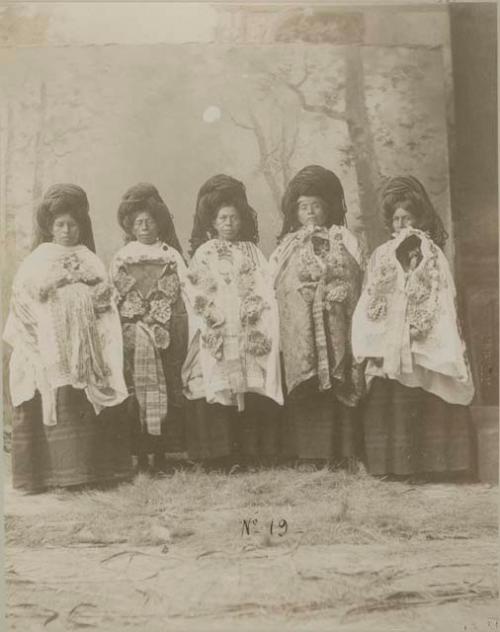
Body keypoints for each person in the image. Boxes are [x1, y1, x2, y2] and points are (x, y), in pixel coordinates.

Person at [3, 184, 133, 493]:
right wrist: (43, 331)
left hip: (88, 348)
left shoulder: (89, 258)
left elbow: (106, 299)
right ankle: (54, 475)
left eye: (72, 224)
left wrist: (100, 301)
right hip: (50, 344)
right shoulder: (37, 260)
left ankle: (96, 472)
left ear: (81, 226)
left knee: (91, 395)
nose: (66, 231)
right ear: (49, 227)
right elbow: (22, 299)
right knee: (54, 390)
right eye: (60, 224)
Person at [352, 175, 475, 480]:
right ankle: (392, 466)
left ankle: (435, 466)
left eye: (407, 217)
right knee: (389, 391)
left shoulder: (430, 252)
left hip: (422, 334)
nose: (401, 223)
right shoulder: (381, 254)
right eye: (396, 219)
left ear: (419, 218)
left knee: (427, 380)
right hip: (390, 335)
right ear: (389, 223)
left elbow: (441, 293)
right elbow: (373, 293)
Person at [182, 174, 283, 468]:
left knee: (251, 386)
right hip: (219, 326)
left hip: (248, 325)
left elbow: (265, 284)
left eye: (234, 218)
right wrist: (211, 315)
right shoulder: (204, 252)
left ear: (242, 221)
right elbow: (195, 289)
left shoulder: (252, 251)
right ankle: (223, 455)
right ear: (212, 222)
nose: (228, 223)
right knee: (222, 385)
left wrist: (258, 312)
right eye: (222, 218)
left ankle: (254, 452)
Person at [269, 165, 365, 466]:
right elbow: (276, 284)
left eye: (317, 207)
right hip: (302, 331)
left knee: (339, 383)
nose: (310, 213)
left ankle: (344, 452)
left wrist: (335, 292)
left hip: (336, 322)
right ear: (295, 212)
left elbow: (356, 275)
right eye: (304, 207)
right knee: (308, 386)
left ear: (327, 209)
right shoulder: (286, 245)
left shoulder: (344, 239)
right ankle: (310, 454)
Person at [110, 183, 188, 473]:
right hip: (131, 333)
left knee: (164, 388)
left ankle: (162, 454)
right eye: (138, 222)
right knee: (135, 392)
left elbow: (185, 293)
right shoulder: (122, 257)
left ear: (159, 223)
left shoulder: (171, 255)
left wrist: (166, 322)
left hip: (164, 331)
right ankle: (140, 455)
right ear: (130, 225)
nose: (144, 227)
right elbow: (113, 296)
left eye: (149, 221)